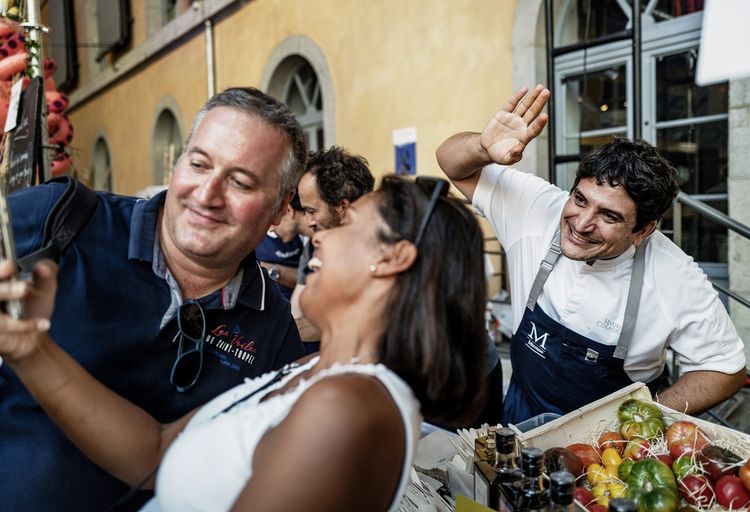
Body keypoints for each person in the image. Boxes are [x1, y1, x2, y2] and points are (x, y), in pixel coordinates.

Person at [0, 175, 488, 511]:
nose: (316, 237)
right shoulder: (309, 372)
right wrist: (31, 350)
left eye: (343, 226)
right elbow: (153, 452)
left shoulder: (351, 406)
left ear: (392, 258)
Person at [0, 87, 308, 510]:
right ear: (178, 163)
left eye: (240, 182)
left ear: (279, 209)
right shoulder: (61, 218)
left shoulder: (272, 330)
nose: (207, 195)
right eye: (198, 164)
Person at [436, 85, 747, 425]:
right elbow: (452, 164)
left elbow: (724, 368)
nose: (581, 223)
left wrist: (647, 418)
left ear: (644, 230)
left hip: (606, 448)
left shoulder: (676, 276)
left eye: (609, 216)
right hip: (520, 416)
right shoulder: (537, 206)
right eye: (580, 199)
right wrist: (482, 147)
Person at [291, 146, 375, 348]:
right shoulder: (318, 240)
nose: (309, 222)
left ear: (342, 207)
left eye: (311, 211)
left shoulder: (381, 252)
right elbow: (299, 308)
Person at [256, 192, 306, 299]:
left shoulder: (309, 241)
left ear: (288, 210)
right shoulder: (255, 240)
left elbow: (308, 282)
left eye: (272, 221)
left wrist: (268, 270)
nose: (270, 229)